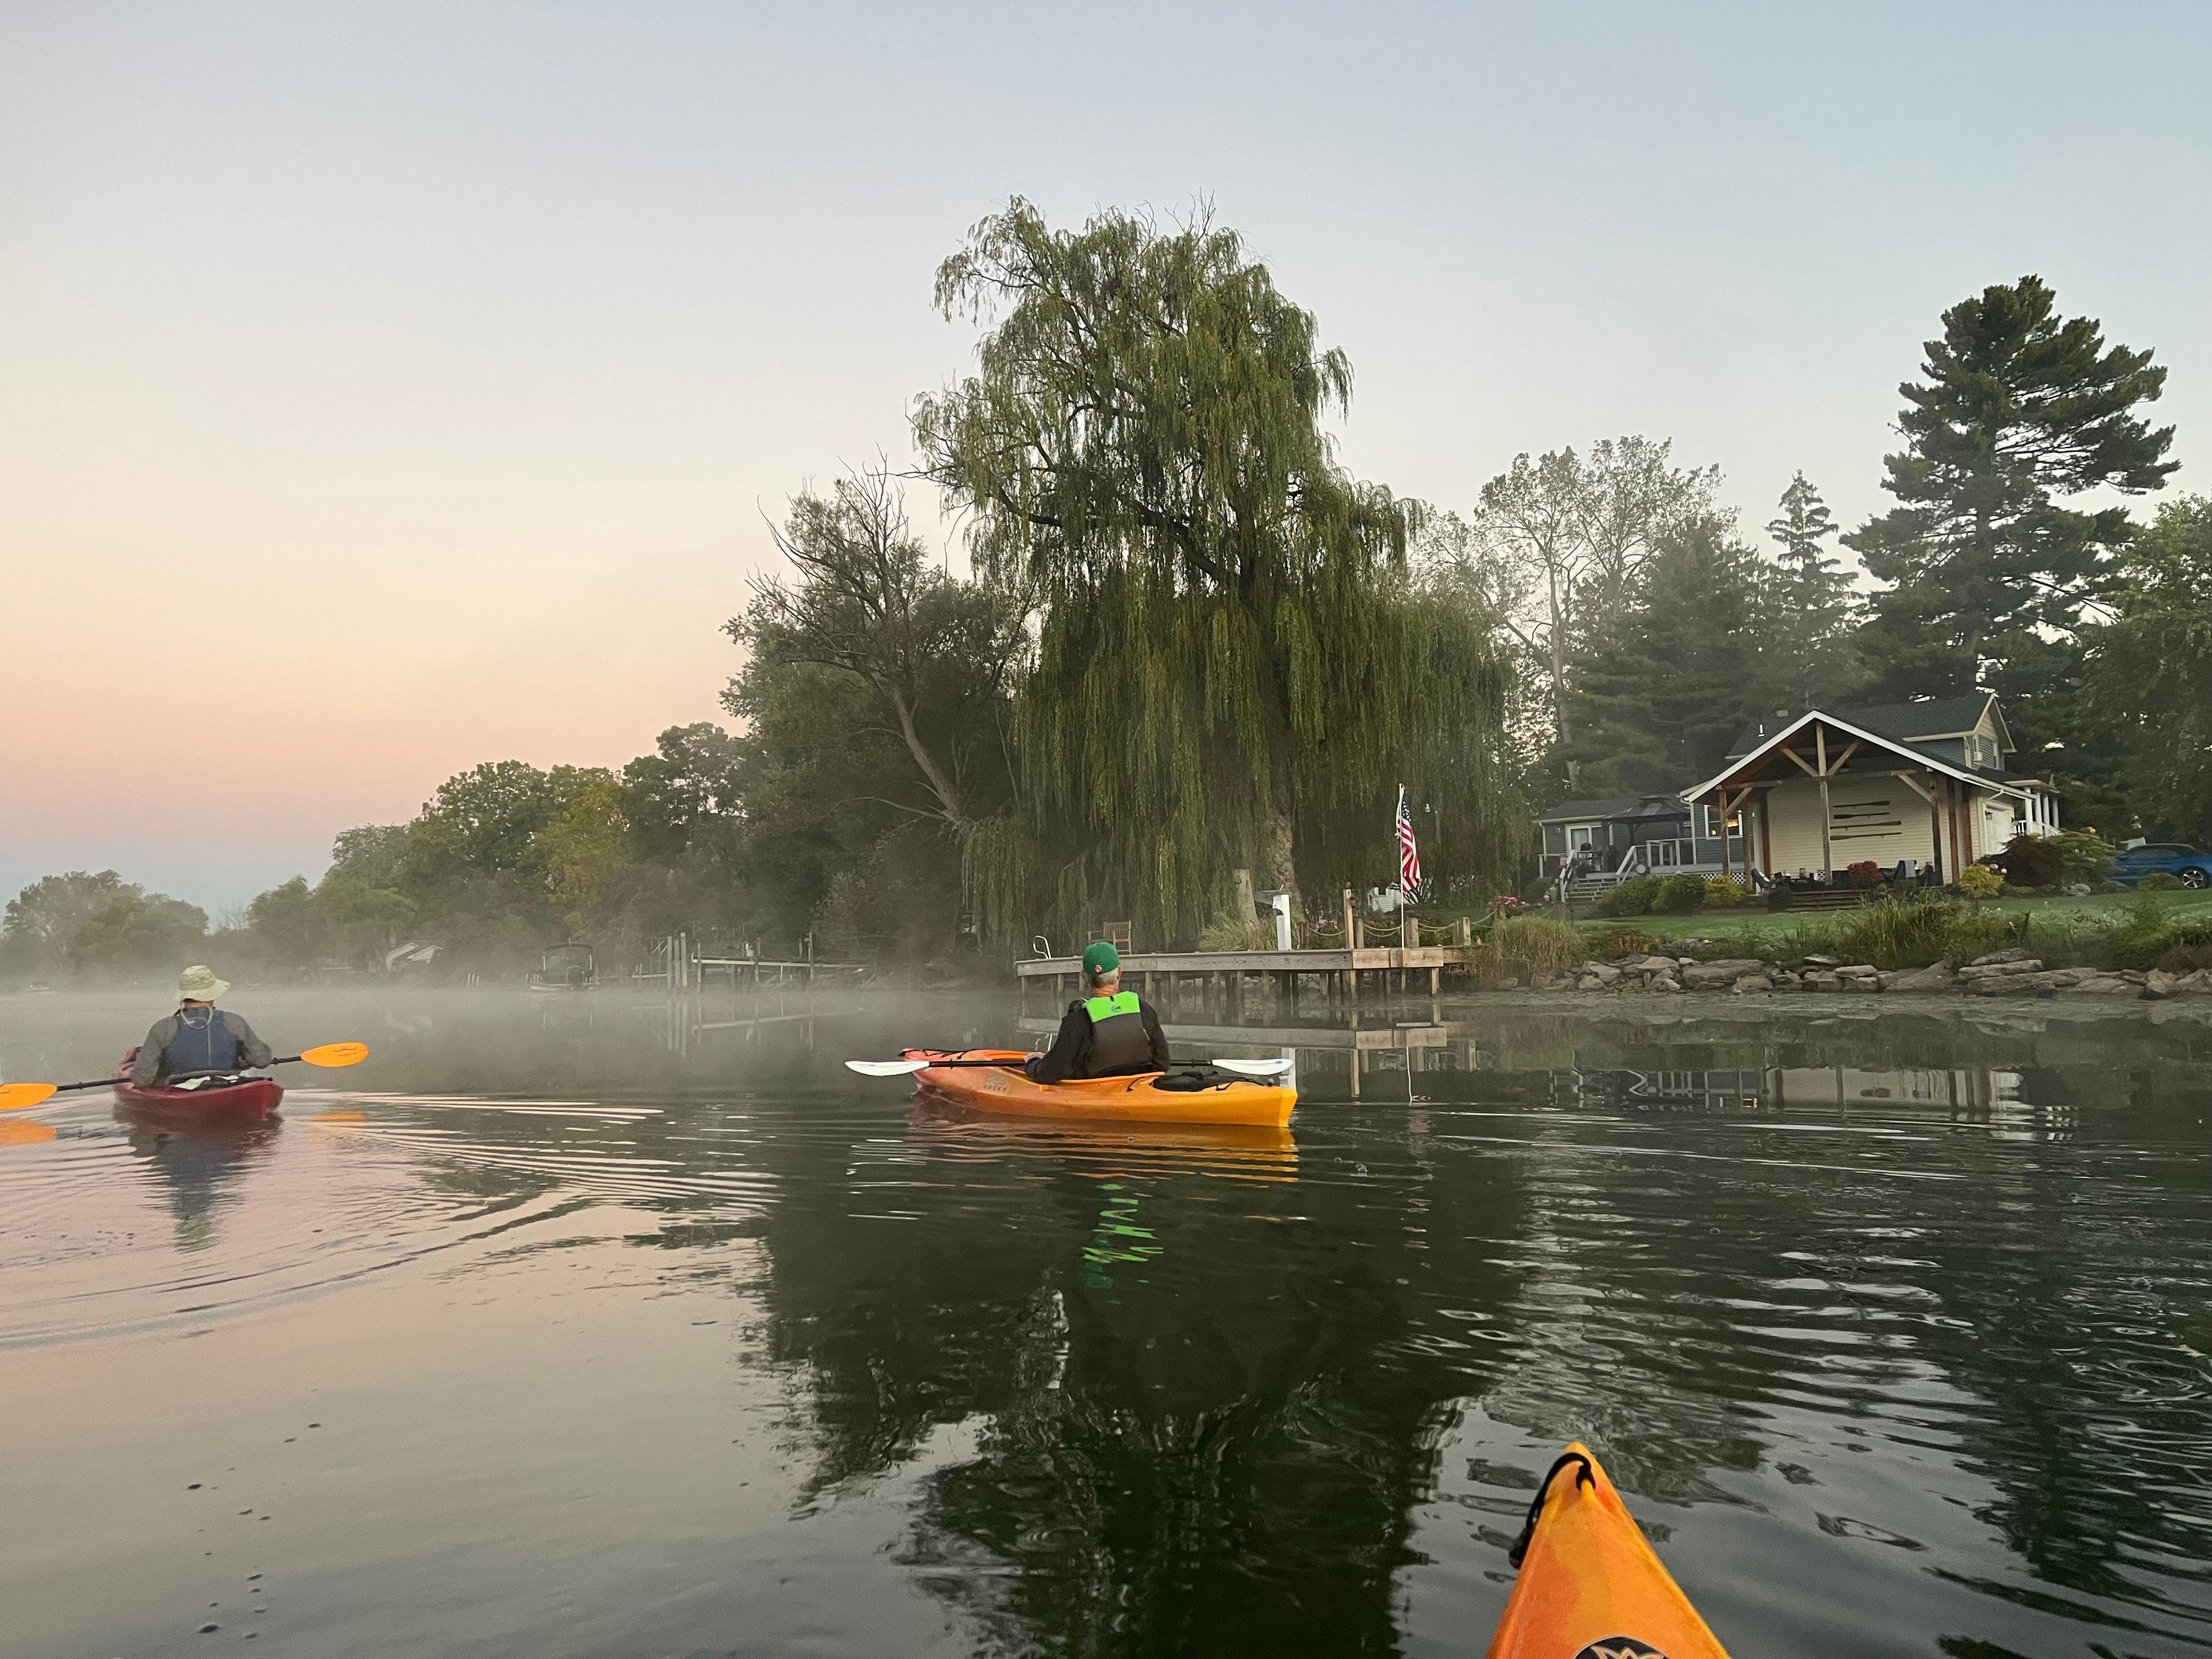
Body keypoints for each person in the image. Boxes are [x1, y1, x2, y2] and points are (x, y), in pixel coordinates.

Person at [1027, 941, 1172, 1084]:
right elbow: (1163, 1063)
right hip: (1140, 1091)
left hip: (1095, 1095)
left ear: (1084, 977)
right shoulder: (1142, 1009)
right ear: (1120, 973)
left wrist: (1033, 1062)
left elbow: (1048, 1074)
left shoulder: (1076, 1021)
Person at [129, 965, 274, 1087]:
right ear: (212, 993)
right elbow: (262, 1060)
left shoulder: (163, 1028)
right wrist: (244, 1059)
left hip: (180, 1088)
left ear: (184, 996)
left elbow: (143, 1080)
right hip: (228, 1084)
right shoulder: (234, 1022)